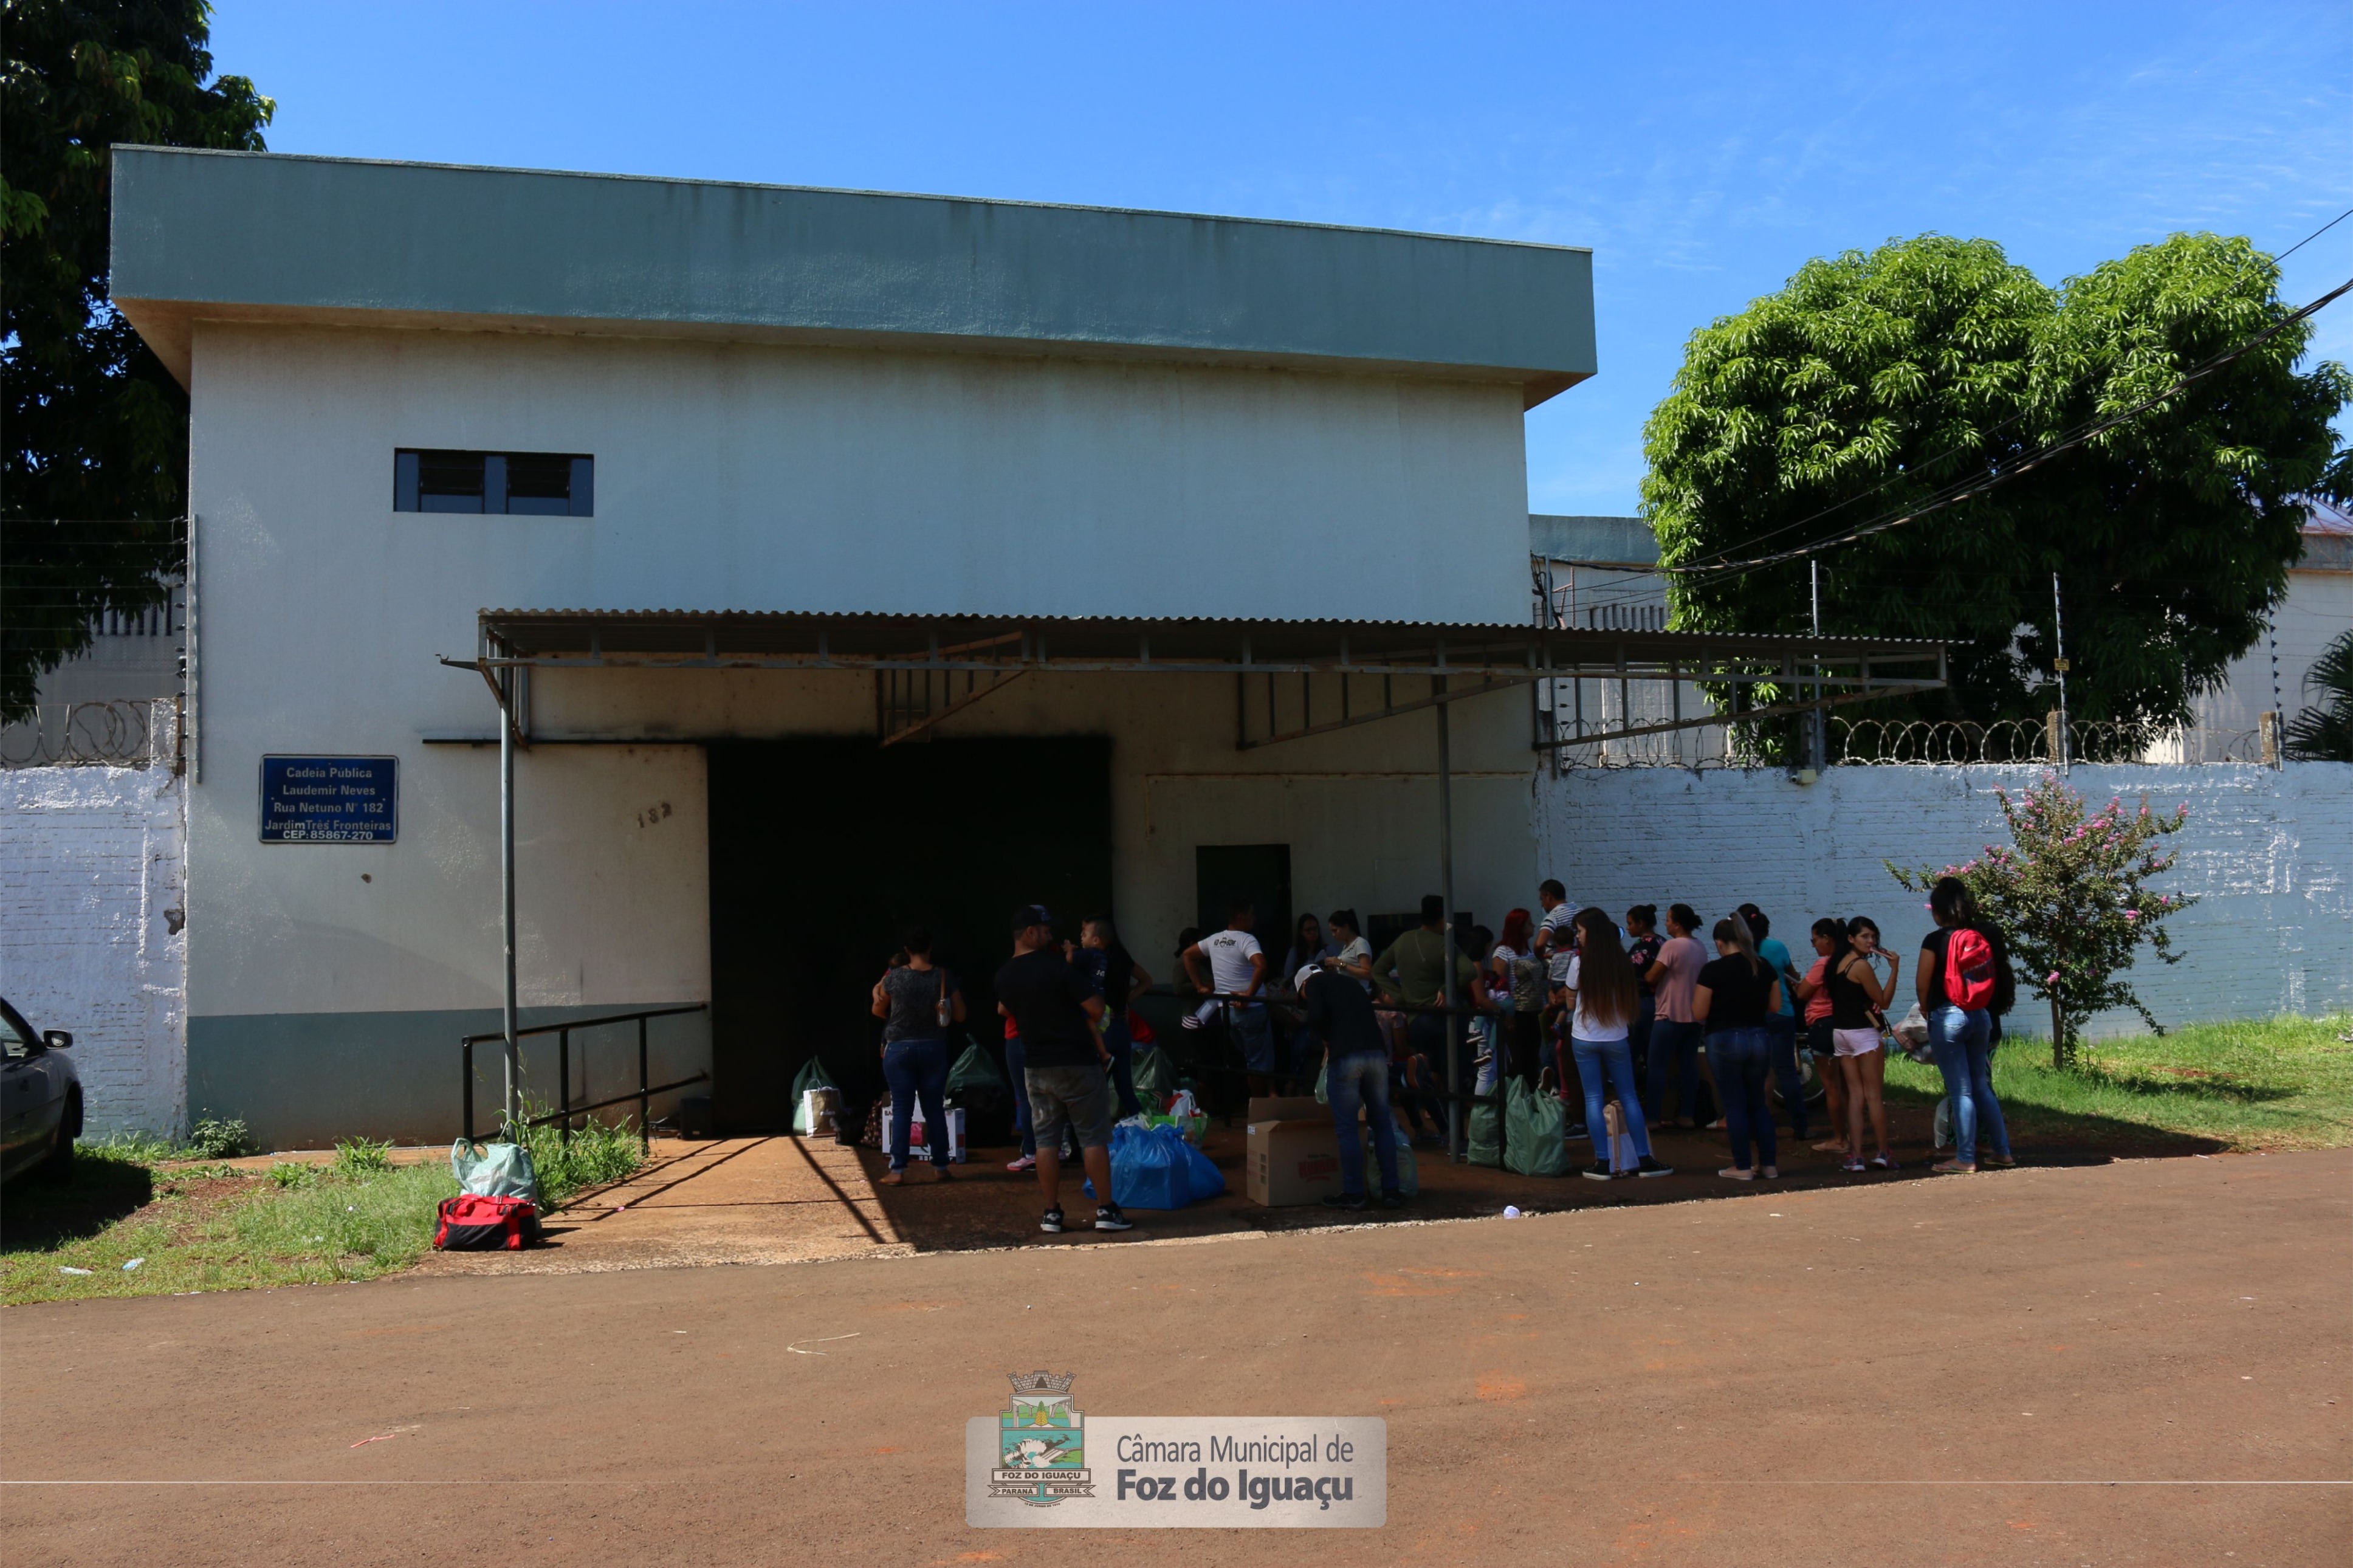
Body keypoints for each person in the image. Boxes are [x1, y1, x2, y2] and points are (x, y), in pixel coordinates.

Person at [995, 905, 1129, 1233]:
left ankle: (1052, 1214)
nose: (1051, 935)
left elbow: (1004, 1010)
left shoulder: (1004, 976)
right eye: (1046, 930)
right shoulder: (1058, 967)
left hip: (1037, 1068)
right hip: (1078, 1064)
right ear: (1030, 932)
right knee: (1093, 1138)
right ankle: (1106, 1211)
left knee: (1045, 1142)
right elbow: (1097, 1010)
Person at [1562, 907, 1671, 1180]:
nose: (1578, 936)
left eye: (1580, 931)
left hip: (1585, 1036)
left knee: (1593, 1099)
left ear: (1591, 933)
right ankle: (1644, 1160)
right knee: (1629, 1097)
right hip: (1616, 1036)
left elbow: (1570, 1000)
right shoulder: (1622, 961)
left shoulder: (1579, 963)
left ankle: (1602, 1163)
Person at [1917, 877, 2016, 1174]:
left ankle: (1965, 1157)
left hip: (1948, 1016)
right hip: (1979, 1014)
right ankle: (2003, 1152)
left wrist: (1925, 1008)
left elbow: (1923, 982)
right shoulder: (1979, 935)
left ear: (1936, 912)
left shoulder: (1935, 940)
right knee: (1981, 1087)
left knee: (1961, 1091)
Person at [1302, 956, 1406, 1211]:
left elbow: (1315, 1017)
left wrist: (1327, 1039)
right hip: (1376, 1055)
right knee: (1382, 1123)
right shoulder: (1350, 984)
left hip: (1346, 1057)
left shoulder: (1314, 984)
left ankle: (1354, 1193)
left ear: (1303, 984)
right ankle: (1391, 1191)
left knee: (1347, 1128)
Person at [1370, 894, 1487, 1113]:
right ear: (1442, 919)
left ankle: (1430, 1095)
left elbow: (1377, 970)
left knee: (1434, 1067)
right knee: (1453, 1072)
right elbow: (1470, 972)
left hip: (1416, 1018)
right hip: (1446, 1018)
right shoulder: (1445, 944)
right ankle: (1455, 1126)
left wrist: (1400, 995)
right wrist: (1446, 988)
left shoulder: (1404, 940)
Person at [869, 927, 963, 1184]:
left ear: (907, 951)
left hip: (899, 1049)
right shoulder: (944, 976)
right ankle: (941, 1167)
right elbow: (961, 1015)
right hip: (934, 1048)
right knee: (934, 1108)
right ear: (930, 947)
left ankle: (897, 1170)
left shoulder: (895, 977)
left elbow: (877, 1010)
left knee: (902, 1110)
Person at [1694, 913, 1783, 1180]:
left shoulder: (1713, 970)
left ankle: (1742, 1165)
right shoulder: (1763, 965)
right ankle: (1769, 1165)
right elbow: (1776, 1006)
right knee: (1758, 1103)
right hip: (1759, 1036)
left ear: (1720, 943)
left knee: (1734, 1105)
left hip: (1723, 1037)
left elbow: (1699, 1011)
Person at [1827, 915, 1900, 1172]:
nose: (1871, 941)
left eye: (1873, 936)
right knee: (1873, 1096)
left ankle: (1856, 1156)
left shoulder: (1836, 964)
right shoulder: (1860, 967)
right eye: (1865, 937)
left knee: (1855, 1095)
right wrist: (1895, 970)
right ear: (1851, 939)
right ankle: (1883, 1153)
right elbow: (1885, 1000)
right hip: (1864, 1035)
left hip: (1841, 1034)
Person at [1737, 904, 1811, 1144]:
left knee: (1759, 1072)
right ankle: (1800, 1126)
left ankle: (1762, 1121)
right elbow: (1794, 976)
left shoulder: (1739, 951)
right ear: (1766, 927)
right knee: (1787, 1071)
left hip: (1753, 1016)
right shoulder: (1777, 947)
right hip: (1782, 1013)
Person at [1184, 900, 1273, 1094]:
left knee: (1249, 1058)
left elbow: (1188, 956)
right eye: (1251, 914)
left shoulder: (1214, 940)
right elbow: (1262, 965)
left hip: (1227, 1010)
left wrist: (1199, 986)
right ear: (1241, 917)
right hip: (1251, 1009)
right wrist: (1249, 994)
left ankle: (1258, 1106)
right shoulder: (1246, 940)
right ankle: (1258, 1111)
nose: (1254, 918)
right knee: (1257, 1062)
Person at [1080, 915, 1152, 1119]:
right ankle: (1142, 1133)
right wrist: (1126, 1001)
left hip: (1102, 1029)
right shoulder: (1122, 957)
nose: (1081, 939)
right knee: (1126, 1090)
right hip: (1121, 1026)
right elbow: (1147, 981)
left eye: (1085, 933)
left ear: (1098, 939)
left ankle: (1096, 1143)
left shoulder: (1092, 962)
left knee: (1094, 1088)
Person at [1644, 904, 1709, 1126]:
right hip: (1694, 1016)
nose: (1666, 923)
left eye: (1668, 919)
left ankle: (1653, 1117)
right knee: (1689, 1065)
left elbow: (1652, 977)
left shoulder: (1671, 946)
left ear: (1678, 924)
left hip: (1669, 1014)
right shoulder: (1700, 946)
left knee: (1657, 1066)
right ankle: (1686, 1115)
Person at [1795, 918, 1851, 1154]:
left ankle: (1839, 1138)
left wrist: (1798, 985)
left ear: (1826, 939)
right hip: (1846, 1025)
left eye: (1814, 940)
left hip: (1822, 1026)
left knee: (1831, 1087)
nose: (1814, 945)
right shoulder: (1849, 962)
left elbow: (1803, 992)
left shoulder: (1824, 964)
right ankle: (1852, 1135)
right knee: (1849, 1086)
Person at [1488, 908, 1547, 1087]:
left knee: (1533, 1059)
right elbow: (1499, 987)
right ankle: (1510, 1098)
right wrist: (1507, 1015)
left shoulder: (1528, 952)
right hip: (1516, 1013)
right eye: (1529, 923)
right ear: (1519, 927)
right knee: (1519, 1060)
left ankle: (1529, 1100)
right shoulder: (1503, 952)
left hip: (1535, 1011)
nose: (1534, 925)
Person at [1624, 904, 1663, 1086]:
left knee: (1632, 1050)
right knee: (1652, 1052)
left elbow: (1630, 974)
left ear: (1641, 923)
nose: (1628, 928)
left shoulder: (1643, 947)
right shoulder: (1662, 942)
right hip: (1659, 1003)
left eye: (1630, 923)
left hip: (1642, 1003)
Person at [1323, 909, 1373, 989]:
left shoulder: (1360, 943)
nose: (1333, 935)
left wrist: (1341, 964)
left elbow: (1368, 974)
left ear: (1346, 927)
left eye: (1335, 930)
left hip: (1358, 994)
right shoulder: (1346, 947)